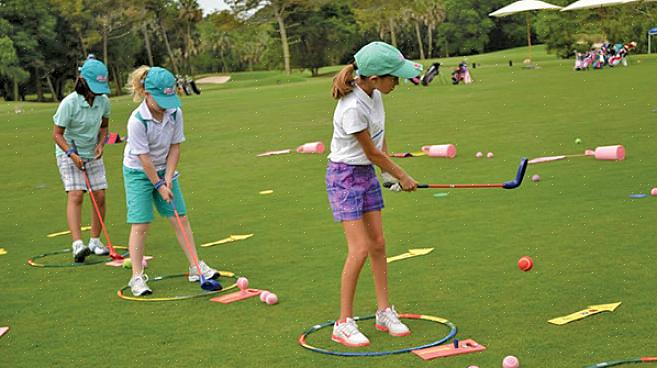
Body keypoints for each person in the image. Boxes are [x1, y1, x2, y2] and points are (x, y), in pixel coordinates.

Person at [327, 41, 421, 347]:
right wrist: (402, 175)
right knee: (359, 248)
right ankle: (343, 323)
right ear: (376, 77)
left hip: (366, 172)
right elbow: (371, 152)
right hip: (344, 176)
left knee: (378, 243)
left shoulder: (376, 95)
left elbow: (380, 143)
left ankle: (383, 312)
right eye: (394, 77)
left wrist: (384, 175)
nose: (398, 82)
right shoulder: (352, 106)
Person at [123, 66, 220, 296]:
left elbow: (175, 147)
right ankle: (136, 277)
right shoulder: (137, 121)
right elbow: (144, 158)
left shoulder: (175, 112)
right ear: (147, 94)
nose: (166, 104)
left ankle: (196, 267)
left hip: (165, 168)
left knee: (181, 218)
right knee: (141, 224)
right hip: (139, 172)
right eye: (161, 99)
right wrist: (158, 184)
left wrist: (167, 179)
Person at [52, 58, 111, 262]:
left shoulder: (103, 101)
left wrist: (101, 144)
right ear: (83, 81)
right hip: (69, 150)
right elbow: (57, 134)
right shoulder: (69, 103)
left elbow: (104, 127)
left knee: (100, 196)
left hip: (91, 152)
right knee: (76, 194)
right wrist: (72, 155)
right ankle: (78, 244)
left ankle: (95, 241)